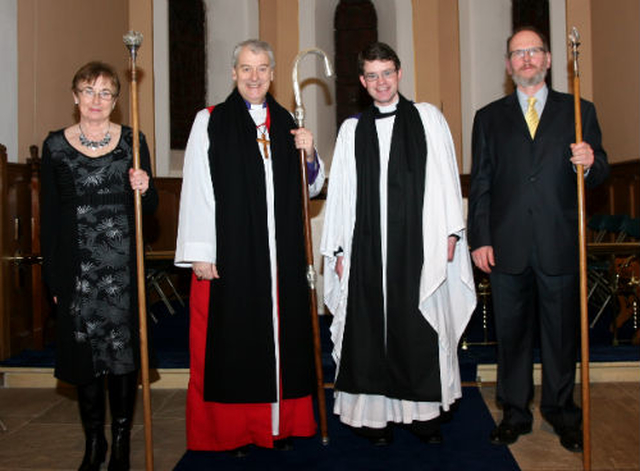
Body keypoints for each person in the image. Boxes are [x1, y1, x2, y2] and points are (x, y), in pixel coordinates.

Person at [321, 42, 476, 445]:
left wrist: (451, 233)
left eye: (387, 72)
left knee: (421, 323)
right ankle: (376, 419)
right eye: (372, 76)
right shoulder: (352, 130)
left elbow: (445, 178)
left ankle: (424, 416)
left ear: (399, 73)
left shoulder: (427, 119)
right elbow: (340, 195)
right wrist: (338, 250)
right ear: (362, 81)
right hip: (367, 248)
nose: (381, 82)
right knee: (369, 329)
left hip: (420, 247)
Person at [174, 39, 325, 455]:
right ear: (233, 73)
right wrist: (201, 251)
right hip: (235, 255)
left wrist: (309, 153)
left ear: (272, 74)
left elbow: (310, 186)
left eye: (261, 69)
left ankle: (282, 425)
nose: (254, 76)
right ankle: (237, 430)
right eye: (246, 68)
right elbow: (198, 190)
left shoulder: (288, 122)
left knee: (284, 339)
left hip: (283, 256)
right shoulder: (210, 121)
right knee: (236, 340)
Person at [467, 26, 609, 452]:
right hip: (506, 244)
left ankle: (562, 412)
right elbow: (483, 183)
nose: (526, 58)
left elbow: (600, 169)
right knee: (511, 336)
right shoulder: (489, 117)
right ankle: (514, 412)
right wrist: (480, 237)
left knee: (561, 337)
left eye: (533, 51)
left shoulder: (579, 110)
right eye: (517, 53)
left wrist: (589, 162)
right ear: (509, 66)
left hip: (558, 242)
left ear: (548, 59)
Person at [40, 61, 158, 471]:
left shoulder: (133, 141)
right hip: (78, 271)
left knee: (123, 359)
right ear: (75, 97)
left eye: (106, 92)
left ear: (116, 102)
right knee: (87, 359)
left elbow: (151, 213)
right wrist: (53, 277)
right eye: (88, 91)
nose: (96, 100)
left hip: (122, 270)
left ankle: (123, 439)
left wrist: (146, 188)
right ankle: (96, 443)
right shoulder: (55, 146)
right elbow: (51, 219)